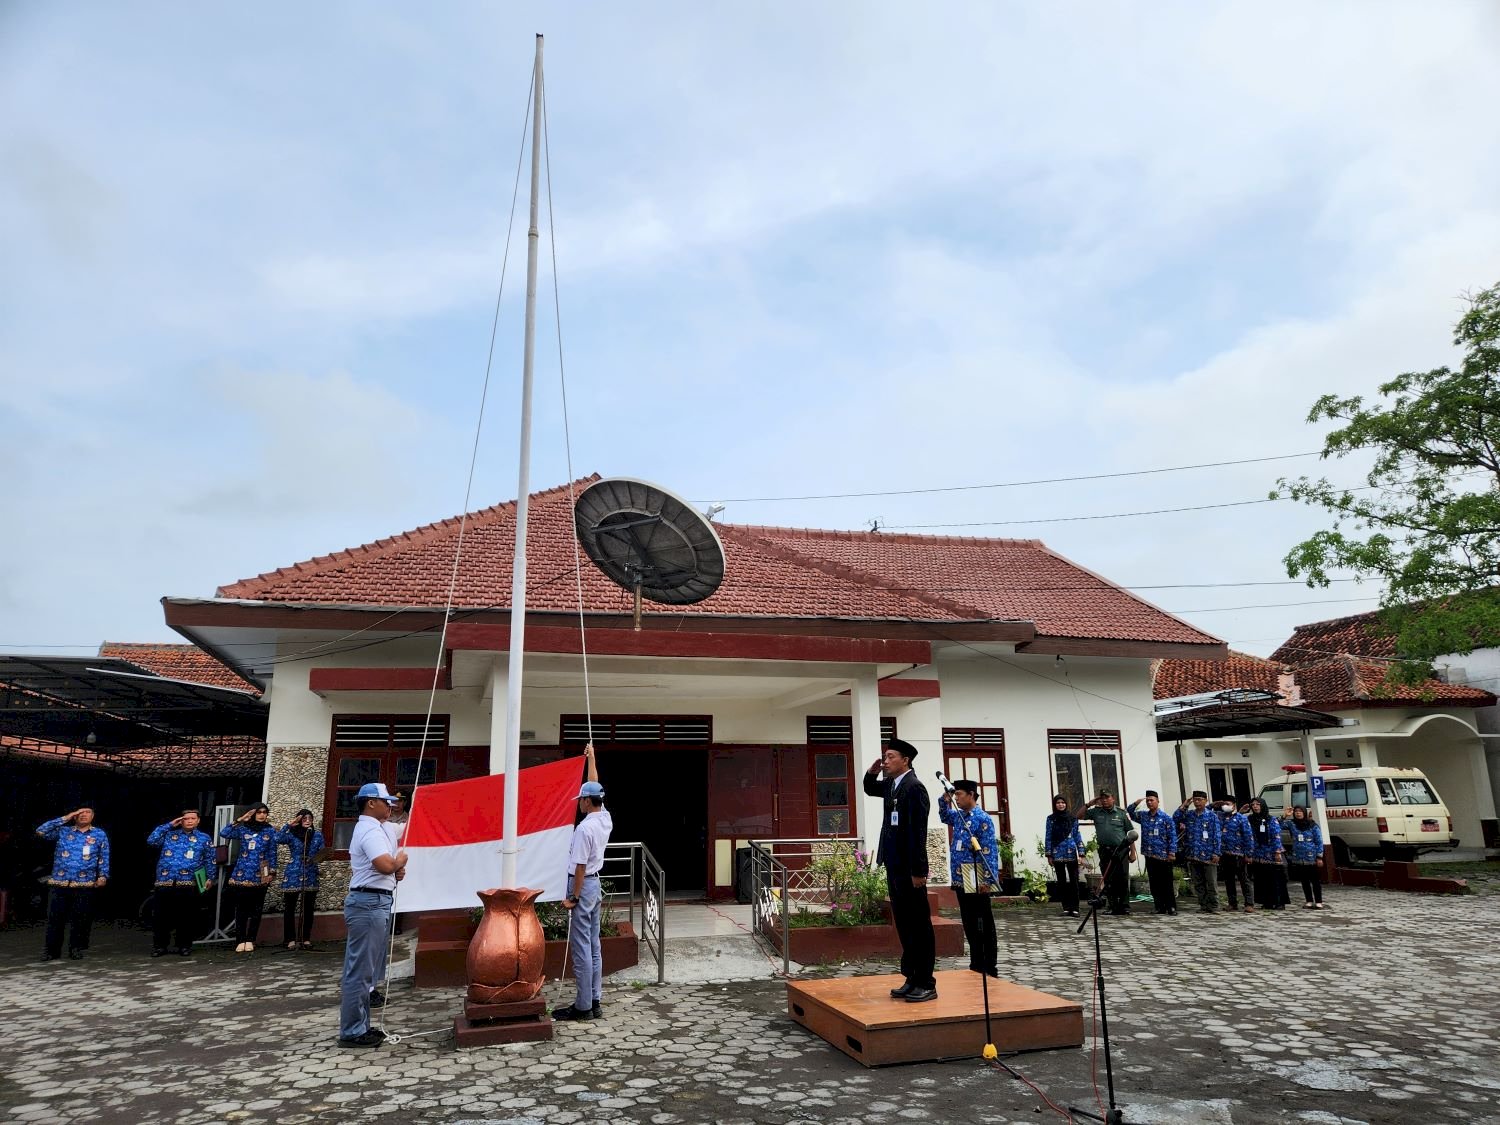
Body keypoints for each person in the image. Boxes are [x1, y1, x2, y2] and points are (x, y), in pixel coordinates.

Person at [864, 739, 937, 1002]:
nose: (886, 761)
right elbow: (870, 789)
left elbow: (918, 833)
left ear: (905, 760)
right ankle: (911, 977)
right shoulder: (893, 785)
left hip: (910, 869)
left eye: (890, 756)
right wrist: (872, 771)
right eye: (885, 756)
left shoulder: (914, 788)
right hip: (893, 865)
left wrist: (919, 871)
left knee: (919, 924)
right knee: (904, 924)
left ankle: (927, 981)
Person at [339, 782, 406, 1048]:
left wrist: (394, 871)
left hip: (373, 901)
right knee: (360, 971)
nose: (390, 806)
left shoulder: (377, 828)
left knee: (365, 969)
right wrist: (399, 863)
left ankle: (360, 1025)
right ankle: (353, 1031)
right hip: (368, 903)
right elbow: (385, 864)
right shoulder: (369, 830)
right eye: (385, 802)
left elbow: (384, 869)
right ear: (370, 803)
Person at [554, 742, 614, 1022]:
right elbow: (595, 783)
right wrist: (593, 758)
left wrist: (573, 898)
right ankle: (595, 999)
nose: (578, 803)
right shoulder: (604, 818)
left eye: (580, 799)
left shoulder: (584, 829)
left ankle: (582, 1006)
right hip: (595, 885)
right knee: (594, 945)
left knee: (581, 948)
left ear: (588, 802)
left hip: (582, 886)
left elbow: (579, 868)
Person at [937, 778, 999, 977]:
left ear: (971, 795)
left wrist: (987, 880)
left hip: (976, 874)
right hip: (960, 875)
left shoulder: (983, 818)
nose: (957, 798)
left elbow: (989, 851)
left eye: (959, 795)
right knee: (968, 920)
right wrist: (944, 799)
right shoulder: (959, 816)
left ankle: (989, 964)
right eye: (955, 795)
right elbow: (944, 815)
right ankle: (976, 962)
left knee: (983, 920)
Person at [36, 807, 109, 962]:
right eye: (79, 813)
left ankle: (76, 949)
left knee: (80, 919)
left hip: (85, 883)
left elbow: (104, 856)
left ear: (93, 816)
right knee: (55, 919)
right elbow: (41, 831)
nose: (83, 815)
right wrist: (65, 818)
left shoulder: (99, 834)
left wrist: (103, 876)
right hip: (60, 882)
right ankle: (51, 951)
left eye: (87, 812)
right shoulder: (64, 831)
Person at [147, 808, 215, 957]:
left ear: (198, 821)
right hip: (165, 882)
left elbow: (210, 859)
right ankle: (160, 946)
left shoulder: (204, 838)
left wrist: (210, 877)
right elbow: (151, 840)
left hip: (189, 883)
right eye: (186, 818)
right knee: (161, 917)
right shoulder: (169, 835)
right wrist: (169, 825)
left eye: (192, 818)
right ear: (180, 820)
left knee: (186, 917)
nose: (189, 821)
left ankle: (184, 946)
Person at [220, 803, 279, 954]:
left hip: (260, 873)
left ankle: (250, 939)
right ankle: (240, 939)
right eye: (258, 812)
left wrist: (271, 873)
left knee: (256, 909)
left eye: (264, 812)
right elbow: (224, 833)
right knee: (241, 909)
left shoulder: (270, 831)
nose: (262, 815)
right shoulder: (243, 828)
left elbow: (273, 852)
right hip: (242, 873)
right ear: (252, 814)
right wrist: (240, 819)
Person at [1076, 789, 1134, 915]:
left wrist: (1133, 852)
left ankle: (1124, 906)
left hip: (1121, 850)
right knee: (1108, 878)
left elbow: (1130, 834)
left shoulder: (1121, 813)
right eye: (1102, 798)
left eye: (1107, 797)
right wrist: (1089, 804)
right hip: (1105, 850)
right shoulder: (1096, 812)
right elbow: (1078, 816)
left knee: (1122, 878)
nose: (1104, 800)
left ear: (1113, 799)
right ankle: (1112, 905)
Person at [277, 809, 323, 949]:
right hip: (293, 873)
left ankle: (305, 938)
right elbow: (277, 839)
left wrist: (321, 856)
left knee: (308, 907)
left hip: (310, 872)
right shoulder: (291, 834)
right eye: (304, 819)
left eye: (310, 818)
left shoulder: (317, 835)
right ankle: (290, 939)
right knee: (290, 907)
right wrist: (290, 824)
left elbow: (322, 851)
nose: (308, 821)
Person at [1127, 791, 1177, 915]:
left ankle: (1171, 907)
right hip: (1150, 854)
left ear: (1158, 801)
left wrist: (1172, 852)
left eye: (1152, 800)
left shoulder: (1166, 818)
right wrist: (1137, 802)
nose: (1149, 802)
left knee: (1167, 882)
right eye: (1148, 800)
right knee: (1154, 883)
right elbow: (1130, 812)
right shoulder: (1144, 816)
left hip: (1163, 855)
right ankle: (1159, 906)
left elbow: (1172, 836)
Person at [1174, 790, 1221, 913]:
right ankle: (1203, 905)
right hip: (1193, 854)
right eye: (1195, 800)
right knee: (1198, 883)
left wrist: (1216, 852)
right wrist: (1184, 806)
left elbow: (1217, 835)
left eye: (1200, 799)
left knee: (1211, 882)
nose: (1197, 802)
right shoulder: (1189, 815)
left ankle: (1214, 905)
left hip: (1208, 854)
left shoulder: (1212, 816)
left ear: (1206, 801)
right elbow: (1175, 818)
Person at [1044, 795, 1085, 917]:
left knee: (1074, 881)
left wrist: (1081, 853)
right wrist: (1049, 855)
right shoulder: (1051, 819)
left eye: (1063, 802)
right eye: (1058, 803)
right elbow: (1048, 836)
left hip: (1071, 852)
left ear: (1066, 804)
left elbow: (1077, 835)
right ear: (1054, 805)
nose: (1061, 805)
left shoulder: (1073, 818)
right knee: (1061, 881)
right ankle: (1066, 908)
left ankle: (1075, 908)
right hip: (1057, 852)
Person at [1245, 797, 1286, 910]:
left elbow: (1276, 836)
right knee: (1261, 879)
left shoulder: (1271, 819)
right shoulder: (1250, 819)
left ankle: (1279, 902)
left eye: (1258, 804)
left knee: (1275, 879)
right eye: (1253, 805)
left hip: (1271, 853)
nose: (1255, 806)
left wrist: (1277, 851)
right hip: (1257, 853)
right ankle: (1266, 902)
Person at [1283, 805, 1327, 909]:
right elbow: (1277, 826)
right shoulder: (1291, 824)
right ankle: (1309, 900)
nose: (1298, 813)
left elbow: (1319, 841)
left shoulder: (1313, 825)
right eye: (1296, 811)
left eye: (1300, 811)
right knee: (1304, 881)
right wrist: (1285, 815)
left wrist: (1319, 857)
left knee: (1315, 880)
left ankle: (1319, 901)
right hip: (1299, 858)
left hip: (1312, 858)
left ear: (1304, 813)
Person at [1217, 801, 1254, 913]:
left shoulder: (1241, 818)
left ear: (1234, 805)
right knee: (1229, 880)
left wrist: (1249, 854)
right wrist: (1215, 803)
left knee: (1243, 879)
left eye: (1228, 804)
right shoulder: (1220, 817)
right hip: (1224, 853)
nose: (1225, 806)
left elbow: (1248, 836)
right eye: (1224, 804)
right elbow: (1207, 809)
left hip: (1239, 854)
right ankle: (1232, 903)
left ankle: (1249, 903)